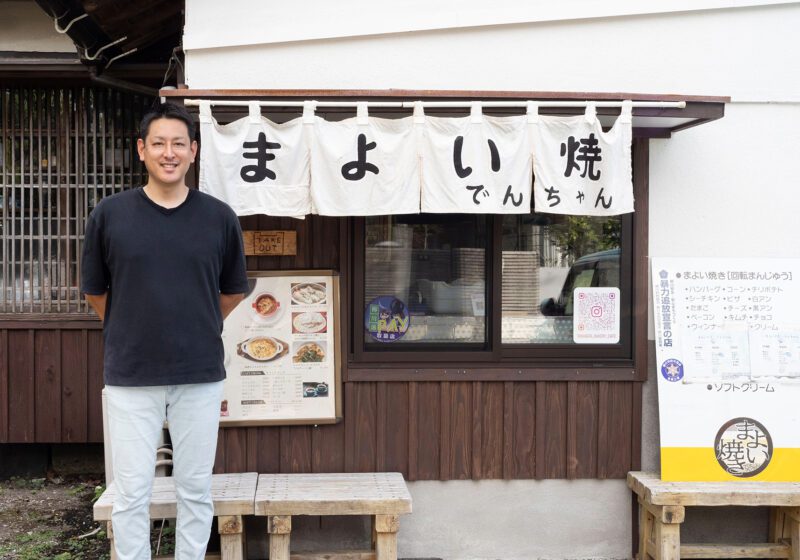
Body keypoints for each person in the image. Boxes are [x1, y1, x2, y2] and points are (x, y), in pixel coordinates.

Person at [81, 102, 249, 560]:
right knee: (131, 492)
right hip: (131, 375)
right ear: (142, 149)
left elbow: (233, 291)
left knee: (195, 490)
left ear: (193, 151)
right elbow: (96, 291)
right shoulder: (111, 215)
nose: (168, 152)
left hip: (199, 373)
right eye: (158, 143)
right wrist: (132, 325)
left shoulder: (218, 217)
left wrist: (195, 321)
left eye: (179, 143)